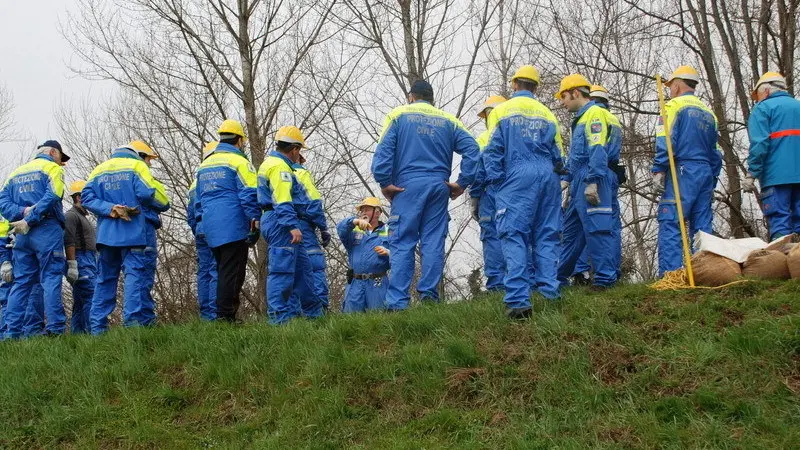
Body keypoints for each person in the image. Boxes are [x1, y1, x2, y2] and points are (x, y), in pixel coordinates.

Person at [371, 79, 480, 310]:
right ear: (432, 99)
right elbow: (473, 150)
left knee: (401, 242)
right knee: (433, 242)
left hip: (407, 188)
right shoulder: (449, 121)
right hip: (438, 186)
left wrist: (384, 182)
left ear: (411, 96)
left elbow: (383, 152)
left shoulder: (398, 115)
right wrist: (461, 183)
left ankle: (398, 303)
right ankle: (429, 297)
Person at [482, 66, 564, 319]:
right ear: (536, 87)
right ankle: (550, 293)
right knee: (547, 234)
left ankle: (518, 300)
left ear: (515, 84)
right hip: (548, 176)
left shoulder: (501, 111)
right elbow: (558, 154)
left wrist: (497, 181)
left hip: (517, 177)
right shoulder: (547, 113)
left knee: (513, 234)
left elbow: (492, 149)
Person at [83, 140, 170, 334]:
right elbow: (147, 194)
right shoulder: (137, 166)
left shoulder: (99, 169)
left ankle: (97, 329)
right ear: (137, 154)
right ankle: (131, 325)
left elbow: (86, 198)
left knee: (105, 280)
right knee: (134, 276)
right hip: (133, 234)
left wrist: (110, 208)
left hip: (106, 236)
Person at [651, 66, 721, 275]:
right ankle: (704, 273)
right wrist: (712, 181)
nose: (670, 90)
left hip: (681, 170)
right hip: (705, 172)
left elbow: (665, 140)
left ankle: (671, 275)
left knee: (671, 220)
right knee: (702, 228)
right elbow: (716, 154)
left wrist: (659, 169)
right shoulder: (709, 114)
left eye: (671, 85)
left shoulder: (673, 106)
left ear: (677, 84)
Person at [556, 75, 622, 291]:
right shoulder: (584, 117)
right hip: (580, 179)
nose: (562, 102)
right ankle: (558, 278)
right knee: (572, 232)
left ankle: (605, 280)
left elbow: (597, 149)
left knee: (598, 229)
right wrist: (567, 178)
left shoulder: (594, 114)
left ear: (576, 93)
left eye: (564, 96)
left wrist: (592, 180)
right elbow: (577, 155)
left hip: (595, 176)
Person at [0, 140, 70, 338]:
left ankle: (11, 333)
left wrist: (22, 213)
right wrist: (30, 217)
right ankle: (55, 330)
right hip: (46, 228)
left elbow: (2, 202)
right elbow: (54, 196)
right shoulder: (52, 169)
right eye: (60, 158)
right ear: (53, 152)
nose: (61, 163)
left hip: (21, 234)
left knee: (21, 282)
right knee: (51, 277)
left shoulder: (15, 173)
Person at [195, 120, 260, 323]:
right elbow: (249, 195)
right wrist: (256, 220)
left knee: (222, 270)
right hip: (233, 226)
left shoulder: (204, 166)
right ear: (240, 140)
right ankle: (225, 317)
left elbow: (198, 199)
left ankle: (223, 315)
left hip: (210, 228)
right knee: (232, 273)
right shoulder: (239, 162)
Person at [257, 126, 323, 324]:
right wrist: (291, 225)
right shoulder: (280, 167)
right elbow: (282, 198)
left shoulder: (270, 163)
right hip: (280, 221)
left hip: (279, 219)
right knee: (281, 271)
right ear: (294, 149)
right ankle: (278, 321)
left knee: (304, 271)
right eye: (299, 150)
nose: (299, 155)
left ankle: (315, 316)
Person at [744, 72, 800, 240]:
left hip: (776, 177)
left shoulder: (762, 109)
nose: (758, 100)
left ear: (766, 91)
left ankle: (783, 263)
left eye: (759, 95)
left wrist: (751, 174)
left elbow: (759, 145)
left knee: (780, 222)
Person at [470, 95, 507, 292]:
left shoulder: (483, 139)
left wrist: (474, 197)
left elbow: (477, 172)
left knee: (491, 236)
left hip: (490, 192)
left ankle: (497, 284)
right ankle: (523, 280)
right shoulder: (515, 134)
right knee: (519, 233)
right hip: (514, 190)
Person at [337, 197, 391, 313]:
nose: (363, 213)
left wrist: (389, 253)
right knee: (350, 321)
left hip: (378, 283)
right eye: (362, 210)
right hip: (355, 284)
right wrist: (354, 221)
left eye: (367, 209)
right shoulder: (354, 231)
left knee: (380, 319)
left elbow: (400, 255)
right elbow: (340, 229)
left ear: (377, 212)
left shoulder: (388, 230)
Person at [292, 158, 331, 310]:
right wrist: (323, 227)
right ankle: (319, 307)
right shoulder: (301, 173)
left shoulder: (272, 169)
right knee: (314, 265)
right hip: (303, 224)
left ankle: (293, 312)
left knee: (288, 267)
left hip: (281, 224)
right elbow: (313, 202)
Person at [187, 141, 219, 321]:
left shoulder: (195, 181)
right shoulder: (217, 174)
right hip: (216, 229)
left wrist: (198, 228)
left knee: (204, 271)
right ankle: (216, 314)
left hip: (200, 229)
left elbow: (190, 214)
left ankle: (206, 315)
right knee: (216, 269)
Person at [64, 180, 97, 333]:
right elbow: (68, 239)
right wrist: (72, 264)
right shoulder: (71, 216)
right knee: (91, 295)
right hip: (81, 260)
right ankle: (95, 333)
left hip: (89, 259)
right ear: (78, 197)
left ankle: (77, 335)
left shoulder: (84, 217)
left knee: (79, 301)